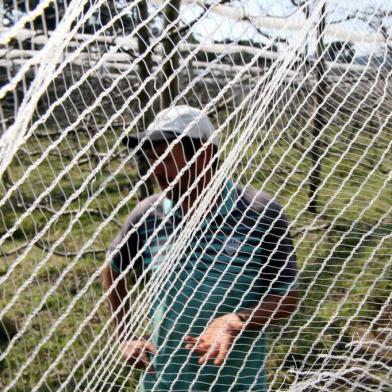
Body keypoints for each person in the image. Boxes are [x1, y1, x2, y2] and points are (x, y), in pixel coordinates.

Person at [103, 105, 298, 391]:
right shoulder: (148, 215)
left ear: (204, 155)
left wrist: (234, 321)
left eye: (167, 158)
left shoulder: (258, 212)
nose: (156, 169)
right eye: (152, 158)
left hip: (237, 384)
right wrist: (125, 335)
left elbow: (287, 297)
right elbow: (113, 269)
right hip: (165, 382)